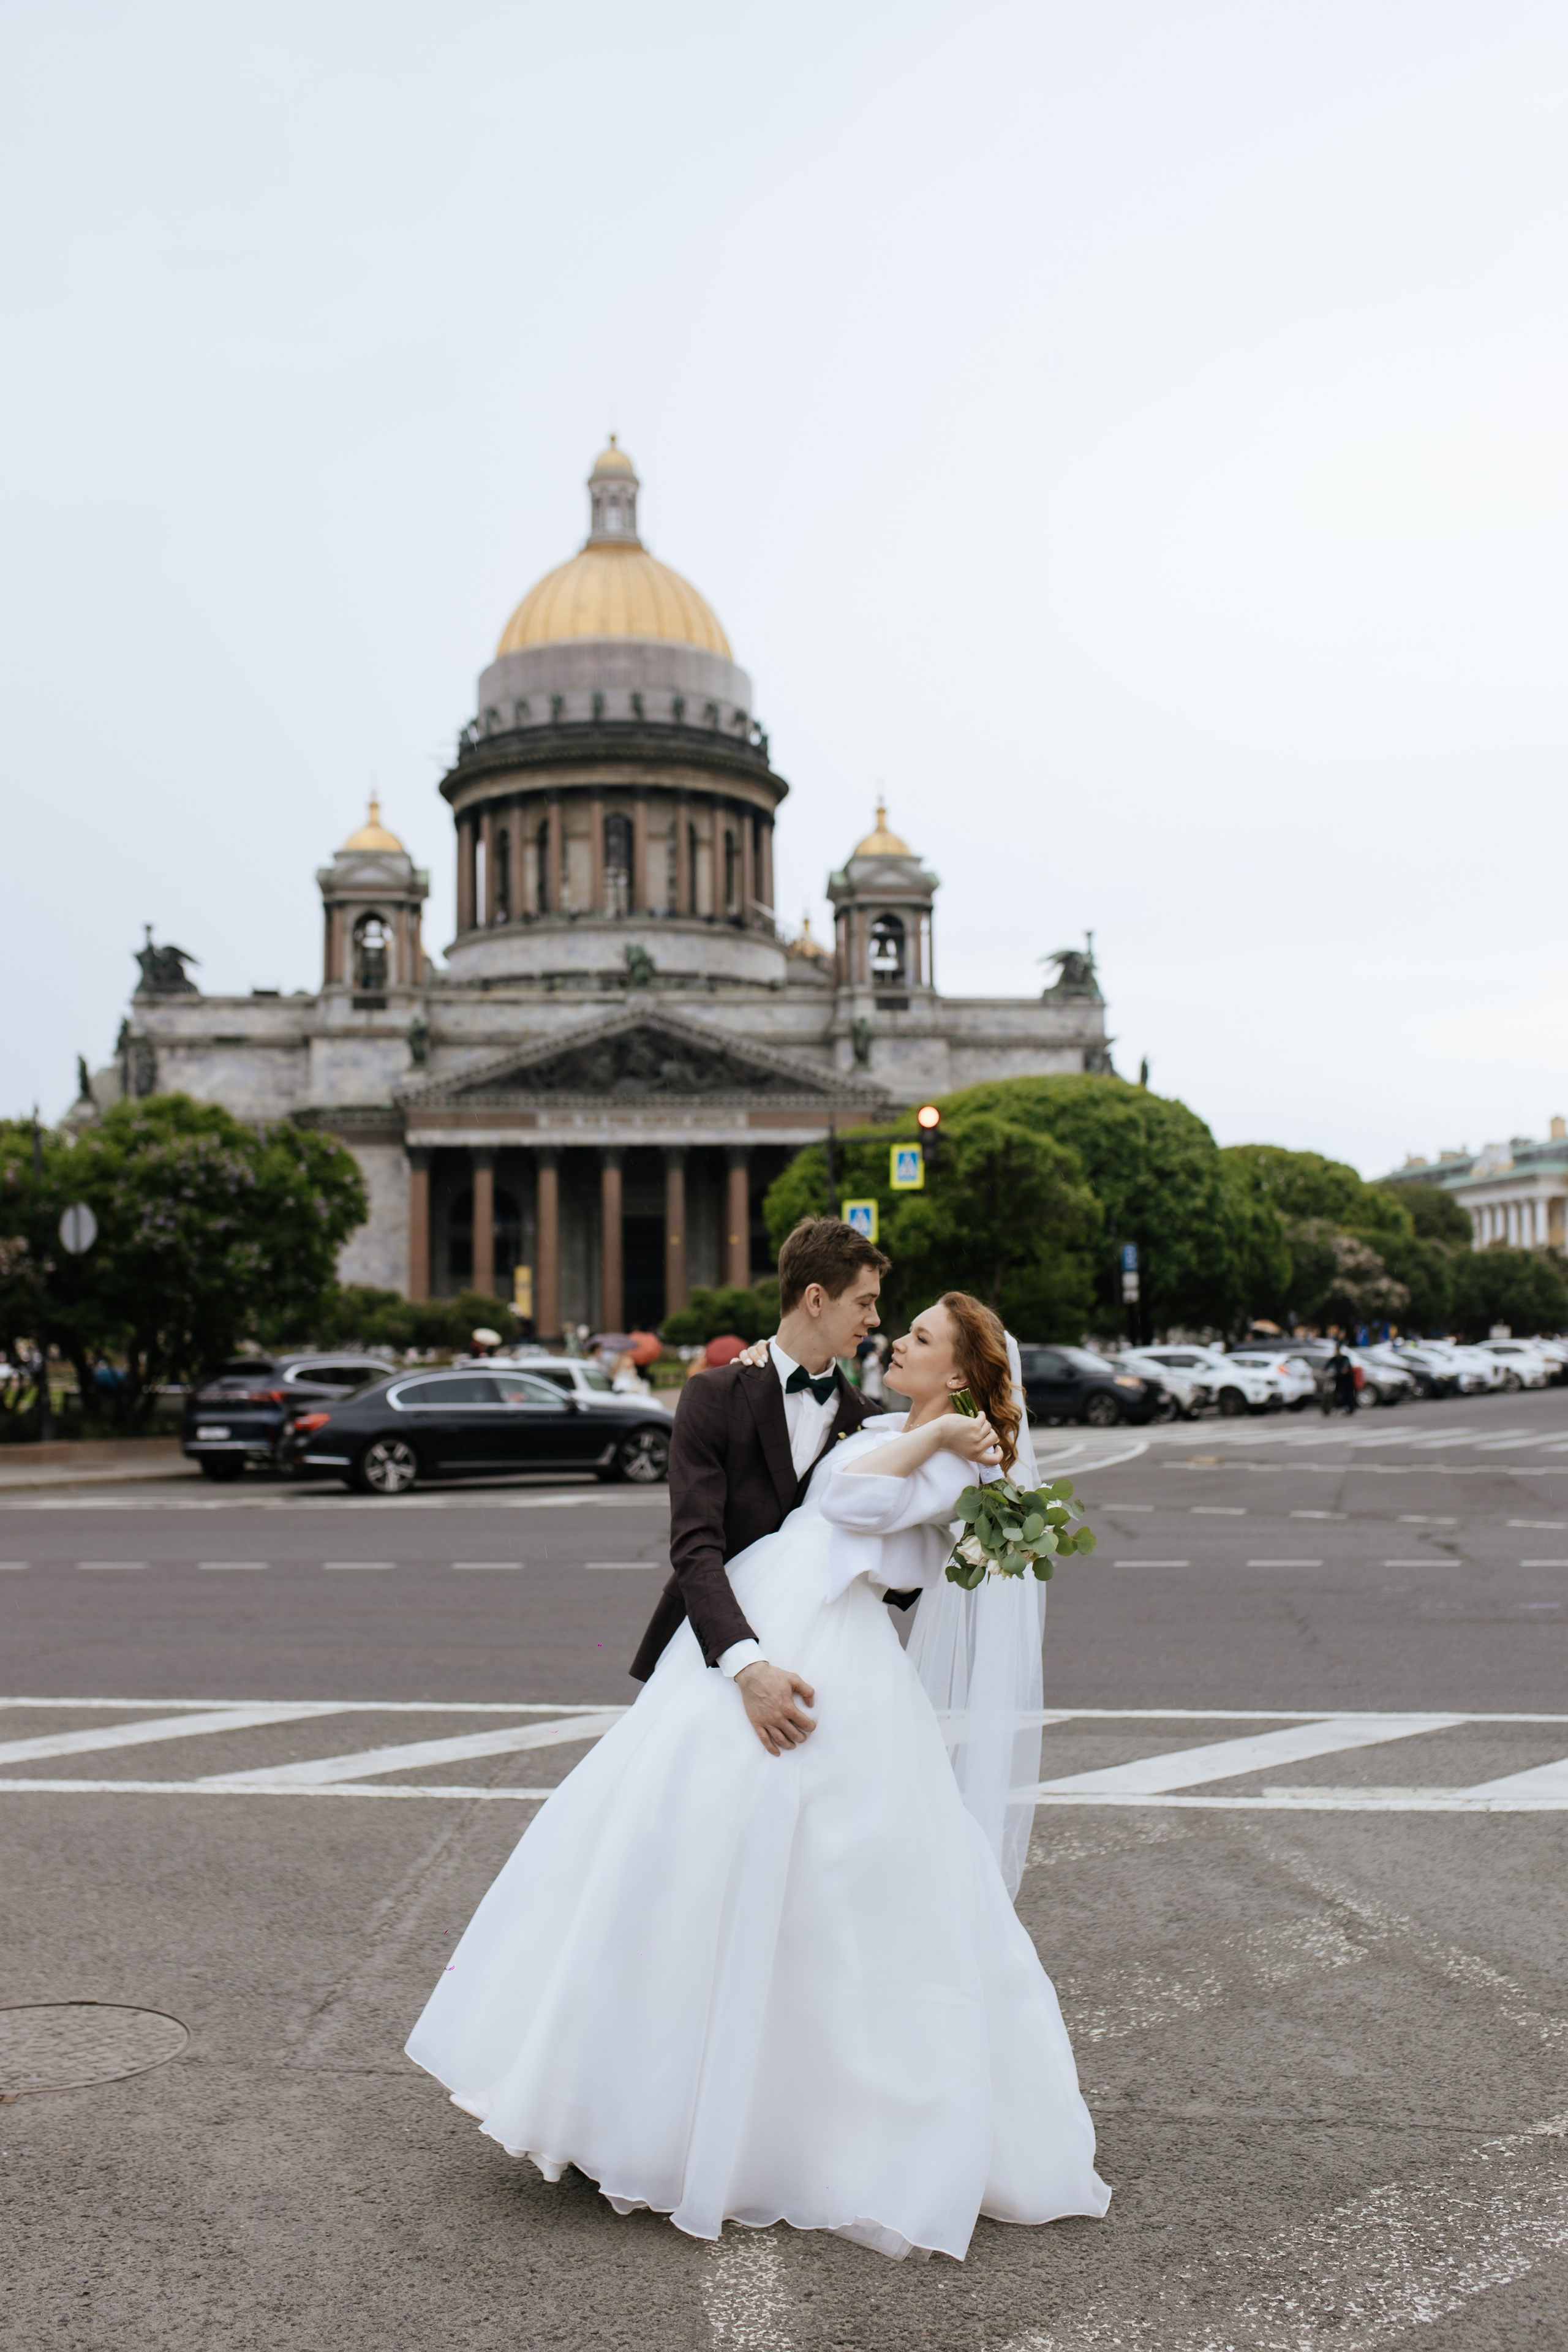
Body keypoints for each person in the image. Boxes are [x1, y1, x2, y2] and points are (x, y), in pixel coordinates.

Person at [405, 1226, 1109, 2261]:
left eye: (899, 1320)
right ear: (816, 1298)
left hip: (841, 1661)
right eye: (871, 1305)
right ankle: (626, 2101)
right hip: (728, 1654)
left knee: (834, 1889)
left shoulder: (873, 1418)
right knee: (668, 1854)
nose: (879, 1324)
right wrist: (747, 1666)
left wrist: (941, 1511)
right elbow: (696, 1547)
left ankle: (793, 2119)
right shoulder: (716, 1395)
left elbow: (894, 1559)